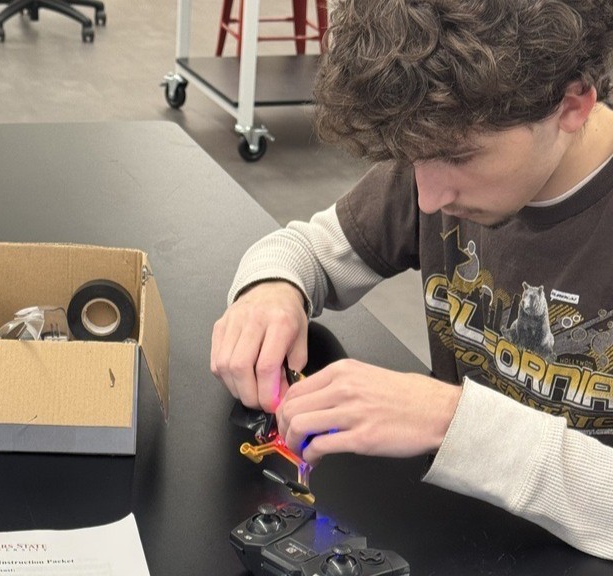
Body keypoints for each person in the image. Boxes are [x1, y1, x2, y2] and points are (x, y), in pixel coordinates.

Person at [210, 0, 613, 560]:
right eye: (414, 160)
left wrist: (452, 420)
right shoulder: (435, 157)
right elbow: (305, 249)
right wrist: (272, 291)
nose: (429, 198)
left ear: (572, 105)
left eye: (458, 158)